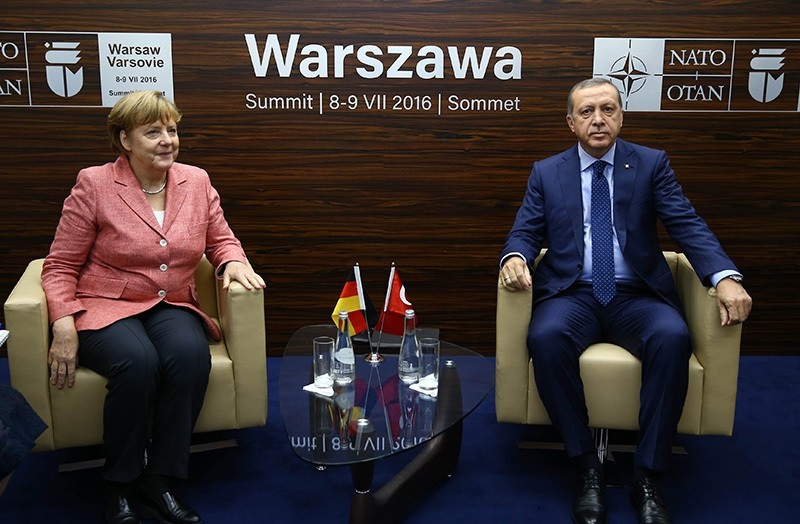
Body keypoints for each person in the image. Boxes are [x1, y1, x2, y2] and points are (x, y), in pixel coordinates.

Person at [499, 78, 752, 524]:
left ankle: (647, 476)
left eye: (608, 109)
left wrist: (725, 276)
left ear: (621, 115)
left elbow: (687, 223)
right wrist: (515, 255)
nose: (599, 119)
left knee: (673, 336)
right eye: (587, 112)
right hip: (571, 293)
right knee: (546, 337)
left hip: (635, 294)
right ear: (571, 123)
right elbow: (525, 228)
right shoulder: (547, 172)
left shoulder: (651, 164)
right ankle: (586, 468)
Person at [42, 90, 265, 524]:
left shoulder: (196, 181)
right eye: (153, 132)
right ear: (125, 140)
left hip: (172, 302)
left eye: (172, 130)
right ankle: (120, 483)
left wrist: (233, 260)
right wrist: (63, 324)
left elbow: (221, 238)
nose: (167, 140)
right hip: (104, 302)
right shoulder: (95, 183)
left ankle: (159, 479)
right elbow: (60, 264)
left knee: (188, 357)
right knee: (137, 362)